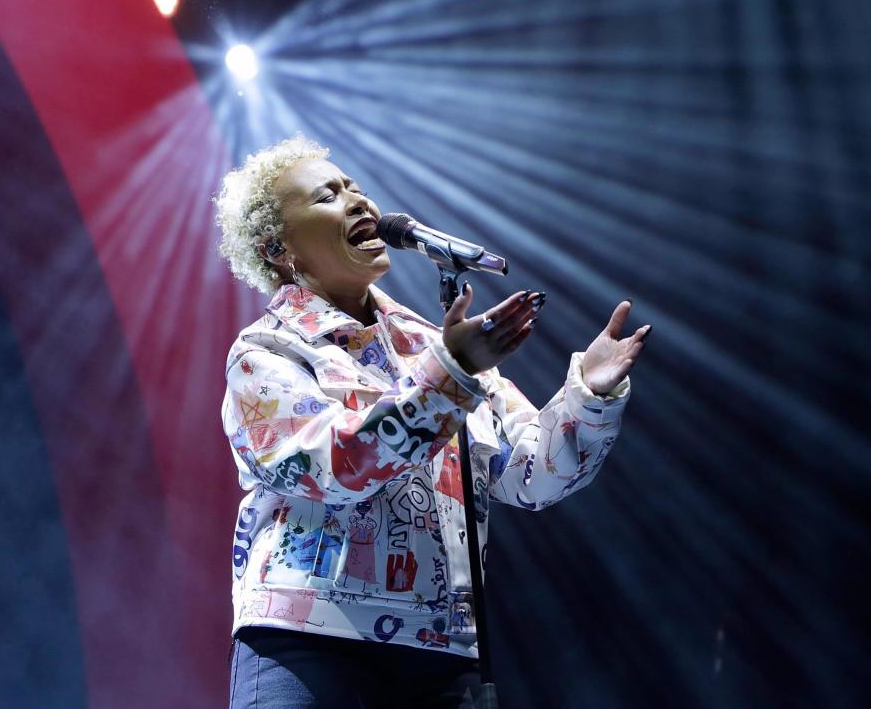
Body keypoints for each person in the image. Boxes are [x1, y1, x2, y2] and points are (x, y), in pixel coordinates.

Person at [216, 135, 651, 708]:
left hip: (442, 652)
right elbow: (335, 466)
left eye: (356, 188)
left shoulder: (434, 345)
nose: (357, 200)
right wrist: (449, 374)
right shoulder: (267, 353)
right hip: (310, 641)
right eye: (328, 195)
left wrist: (589, 399)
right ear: (279, 249)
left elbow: (530, 474)